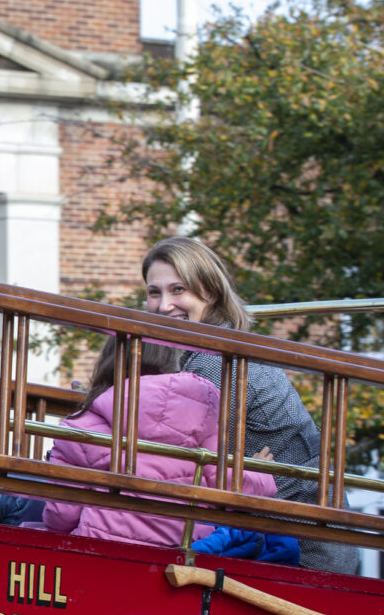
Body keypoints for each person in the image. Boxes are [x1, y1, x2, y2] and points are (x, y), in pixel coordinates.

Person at [141, 236, 360, 574]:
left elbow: (174, 457)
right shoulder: (197, 352)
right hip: (261, 537)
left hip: (297, 552)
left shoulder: (218, 361)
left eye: (178, 290)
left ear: (210, 292)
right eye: (154, 293)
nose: (165, 305)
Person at [33, 337, 279, 551]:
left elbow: (61, 516)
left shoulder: (81, 425)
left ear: (111, 363)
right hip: (183, 552)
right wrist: (259, 472)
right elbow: (226, 485)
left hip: (100, 549)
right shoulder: (200, 416)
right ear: (173, 363)